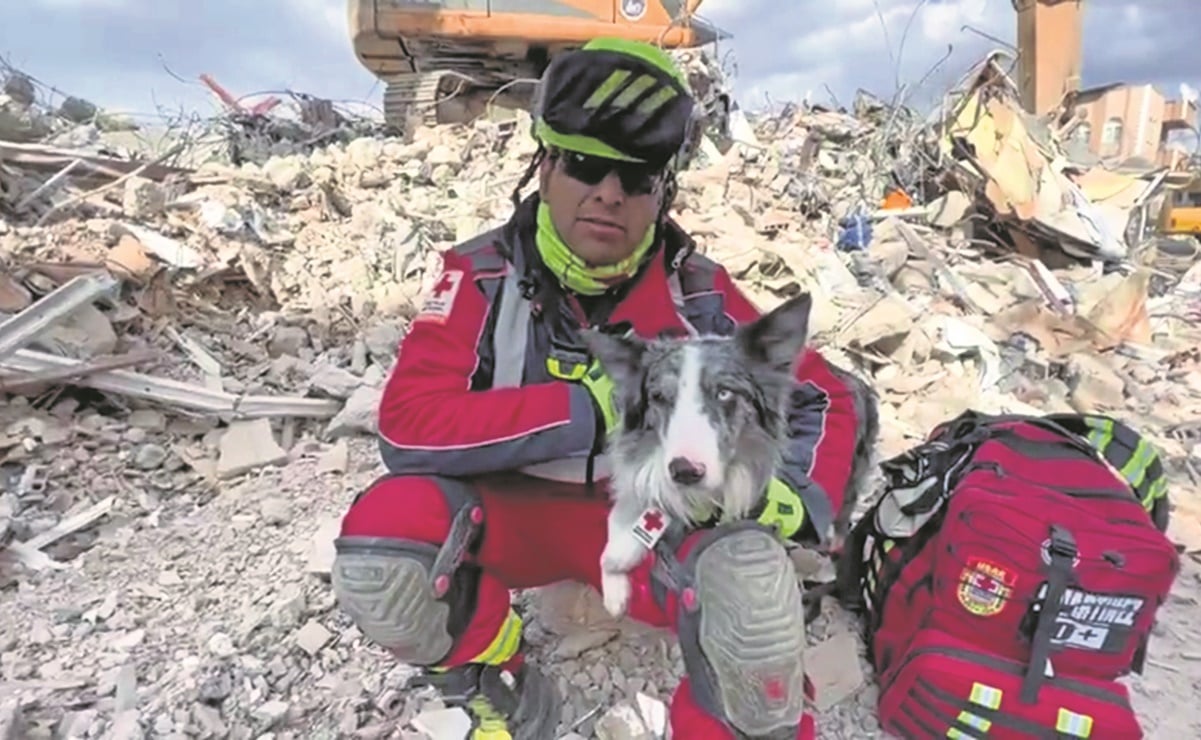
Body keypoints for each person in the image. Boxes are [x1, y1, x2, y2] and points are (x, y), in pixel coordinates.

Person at [330, 38, 862, 740]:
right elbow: (406, 426)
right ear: (544, 166)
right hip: (510, 522)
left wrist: (801, 492)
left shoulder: (696, 297)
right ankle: (499, 679)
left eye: (636, 178)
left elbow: (828, 396)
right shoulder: (477, 279)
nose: (609, 193)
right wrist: (587, 408)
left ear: (661, 192)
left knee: (753, 599)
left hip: (649, 530)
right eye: (584, 165)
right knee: (384, 546)